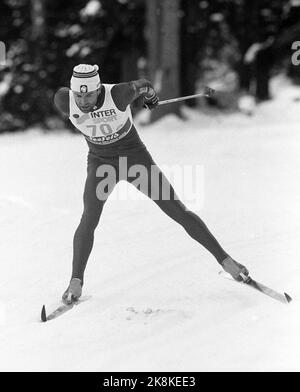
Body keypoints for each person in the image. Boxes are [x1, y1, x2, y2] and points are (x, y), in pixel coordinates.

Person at [54, 64, 249, 305]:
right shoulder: (64, 100)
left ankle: (226, 261)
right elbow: (76, 103)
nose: (83, 101)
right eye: (79, 95)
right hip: (102, 165)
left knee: (177, 210)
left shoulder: (118, 94)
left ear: (98, 89)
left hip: (135, 161)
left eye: (89, 94)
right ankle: (76, 281)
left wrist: (151, 97)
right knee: (89, 218)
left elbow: (145, 84)